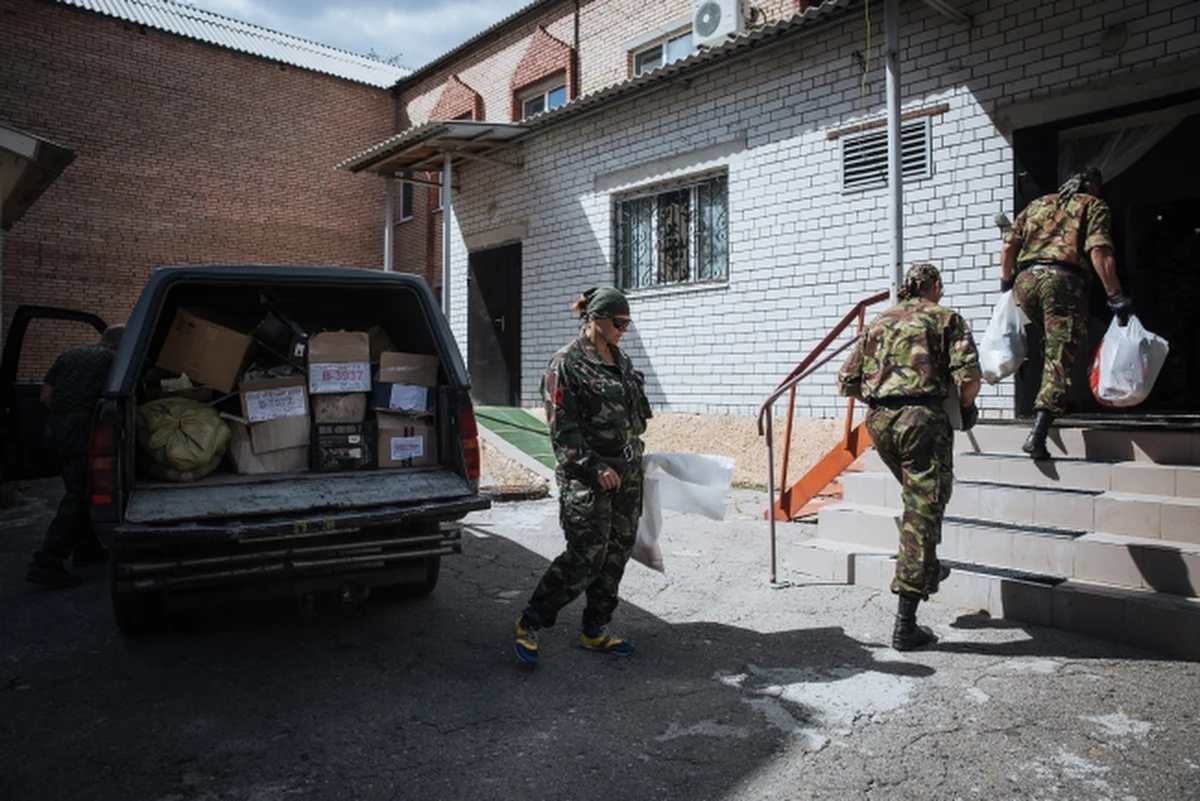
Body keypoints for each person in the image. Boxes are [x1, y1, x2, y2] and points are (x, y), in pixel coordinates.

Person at [837, 264, 981, 651]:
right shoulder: (945, 318)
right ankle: (906, 623)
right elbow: (969, 377)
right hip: (922, 421)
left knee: (926, 500)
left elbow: (847, 380)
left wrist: (885, 399)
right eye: (941, 286)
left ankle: (928, 567)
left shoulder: (879, 321)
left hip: (880, 422)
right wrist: (966, 408)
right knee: (922, 510)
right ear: (933, 286)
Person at [513, 286, 652, 667]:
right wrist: (595, 467)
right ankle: (530, 622)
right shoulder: (566, 364)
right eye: (618, 322)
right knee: (585, 557)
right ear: (596, 319)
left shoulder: (621, 361)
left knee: (617, 553)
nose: (624, 329)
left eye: (627, 323)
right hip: (588, 478)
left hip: (626, 475)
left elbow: (634, 419)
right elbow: (563, 432)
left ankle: (595, 629)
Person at [999, 167, 1133, 460]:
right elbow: (1099, 250)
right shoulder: (1093, 205)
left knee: (1052, 345)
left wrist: (1007, 282)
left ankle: (1055, 400)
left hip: (1026, 281)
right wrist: (1115, 294)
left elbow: (1008, 246)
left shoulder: (1037, 204)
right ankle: (1039, 432)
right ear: (1092, 185)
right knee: (1059, 355)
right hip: (1061, 281)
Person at [26, 324, 125, 588]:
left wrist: (65, 416)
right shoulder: (112, 360)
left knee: (77, 487)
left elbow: (45, 396)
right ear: (118, 343)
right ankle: (46, 561)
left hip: (56, 428)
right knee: (81, 494)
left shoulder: (67, 356)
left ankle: (86, 550)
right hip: (83, 427)